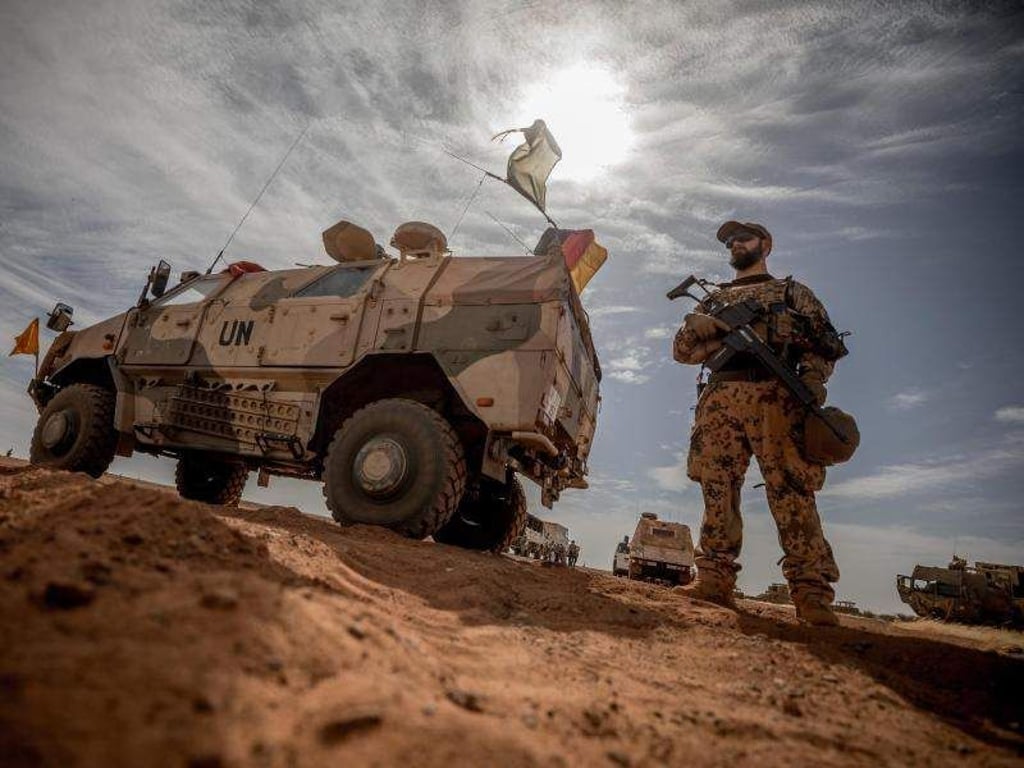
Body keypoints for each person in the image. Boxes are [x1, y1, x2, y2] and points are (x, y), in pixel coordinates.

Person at [673, 220, 848, 627]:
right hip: (720, 398)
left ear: (765, 245)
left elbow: (826, 344)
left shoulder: (791, 292)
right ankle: (714, 579)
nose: (736, 244)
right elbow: (683, 352)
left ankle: (811, 593)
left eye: (744, 238)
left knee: (791, 490)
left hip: (777, 397)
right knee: (717, 486)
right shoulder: (712, 298)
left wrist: (812, 380)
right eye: (730, 241)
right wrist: (700, 328)